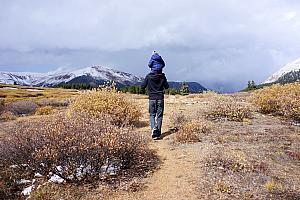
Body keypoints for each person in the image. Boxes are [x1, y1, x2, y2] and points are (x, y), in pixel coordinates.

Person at [141, 56, 169, 140]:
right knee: (159, 116)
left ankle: (154, 129)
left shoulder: (148, 76)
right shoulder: (162, 76)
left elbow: (142, 86)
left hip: (152, 98)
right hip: (160, 98)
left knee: (152, 115)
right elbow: (167, 87)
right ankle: (158, 133)